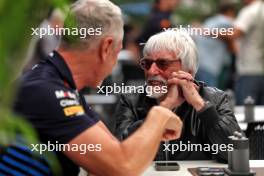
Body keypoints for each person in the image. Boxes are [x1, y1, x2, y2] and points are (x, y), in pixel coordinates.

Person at [13, 0, 183, 176]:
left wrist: (151, 133)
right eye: (118, 51)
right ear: (107, 47)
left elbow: (111, 150)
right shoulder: (47, 91)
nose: (116, 60)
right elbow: (122, 167)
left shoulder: (60, 83)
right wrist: (160, 115)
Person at [114, 30, 241, 163]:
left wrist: (200, 105)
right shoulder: (132, 99)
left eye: (162, 63)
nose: (151, 71)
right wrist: (166, 106)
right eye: (147, 63)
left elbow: (237, 155)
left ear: (188, 71)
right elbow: (120, 152)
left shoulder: (215, 98)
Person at [195, 3, 237, 89]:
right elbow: (232, 46)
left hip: (200, 63)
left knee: (203, 93)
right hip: (212, 66)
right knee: (213, 96)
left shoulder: (210, 21)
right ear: (230, 12)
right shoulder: (226, 21)